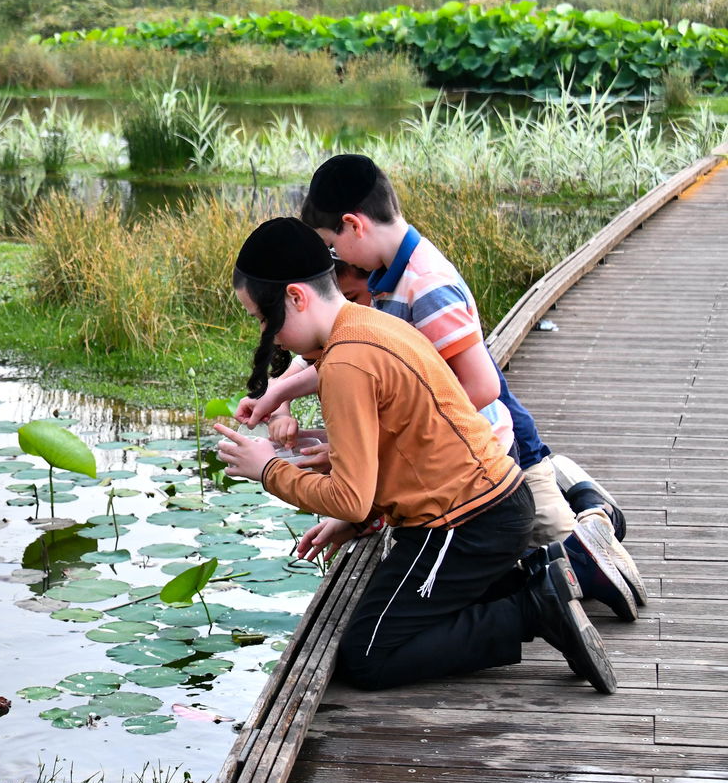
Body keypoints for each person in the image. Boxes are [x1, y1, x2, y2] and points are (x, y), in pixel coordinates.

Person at [214, 218, 617, 694]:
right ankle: (532, 583)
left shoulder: (345, 362)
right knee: (392, 612)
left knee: (367, 654)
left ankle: (534, 606)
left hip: (464, 525)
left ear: (297, 298)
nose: (269, 335)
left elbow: (350, 498)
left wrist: (269, 470)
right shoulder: (368, 324)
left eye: (263, 319)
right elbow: (401, 449)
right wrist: (357, 513)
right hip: (497, 505)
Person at [245, 154, 643, 620]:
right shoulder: (385, 281)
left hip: (482, 454)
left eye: (333, 245)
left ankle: (594, 510)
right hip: (459, 458)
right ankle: (573, 495)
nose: (333, 264)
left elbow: (480, 387)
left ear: (353, 226)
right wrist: (283, 394)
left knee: (570, 563)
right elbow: (372, 370)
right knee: (501, 574)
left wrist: (365, 444)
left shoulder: (425, 283)